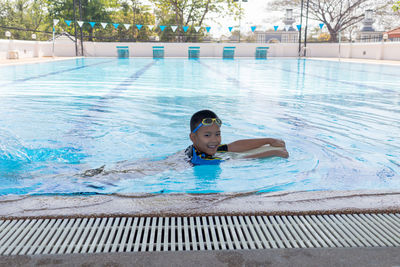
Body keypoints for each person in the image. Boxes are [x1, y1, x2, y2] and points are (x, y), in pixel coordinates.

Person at [185, 110, 289, 165]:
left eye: (217, 134)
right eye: (207, 135)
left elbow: (233, 146)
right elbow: (241, 159)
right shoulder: (200, 159)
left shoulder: (201, 148)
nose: (214, 140)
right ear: (193, 138)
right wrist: (274, 152)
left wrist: (269, 140)